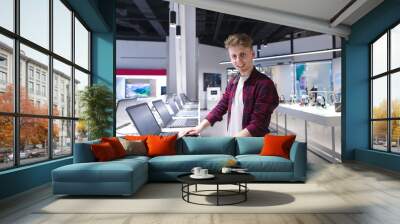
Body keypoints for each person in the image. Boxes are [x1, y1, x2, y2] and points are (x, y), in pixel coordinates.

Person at [182, 33, 279, 137]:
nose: (238, 60)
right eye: (234, 56)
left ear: (252, 54)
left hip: (250, 145)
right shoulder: (234, 81)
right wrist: (199, 127)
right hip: (233, 137)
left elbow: (258, 124)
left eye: (242, 54)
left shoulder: (265, 84)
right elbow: (222, 106)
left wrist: (231, 142)